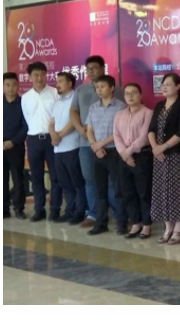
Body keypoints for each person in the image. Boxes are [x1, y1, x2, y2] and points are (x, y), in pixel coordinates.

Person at [70, 55, 124, 228]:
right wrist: (81, 130)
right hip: (87, 144)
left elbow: (124, 117)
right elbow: (73, 111)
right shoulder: (81, 89)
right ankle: (94, 215)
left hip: (111, 145)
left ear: (102, 68)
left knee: (112, 182)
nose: (91, 71)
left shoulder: (117, 90)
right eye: (88, 69)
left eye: (94, 68)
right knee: (90, 180)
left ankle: (118, 214)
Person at [149, 73, 180, 245]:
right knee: (162, 191)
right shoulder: (159, 105)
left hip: (177, 154)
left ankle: (178, 230)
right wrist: (155, 147)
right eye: (163, 84)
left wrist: (164, 147)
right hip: (159, 156)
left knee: (178, 191)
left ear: (178, 86)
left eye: (168, 84)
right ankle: (167, 228)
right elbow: (151, 129)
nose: (165, 87)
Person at [86, 75, 127, 236]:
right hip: (97, 152)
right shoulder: (93, 107)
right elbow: (89, 130)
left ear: (112, 88)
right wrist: (95, 146)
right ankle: (101, 223)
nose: (99, 90)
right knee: (100, 190)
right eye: (97, 87)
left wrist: (101, 144)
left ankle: (122, 223)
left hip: (115, 151)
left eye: (102, 86)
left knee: (119, 188)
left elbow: (120, 132)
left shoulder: (121, 107)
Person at [21, 62, 62, 222]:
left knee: (55, 176)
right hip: (33, 140)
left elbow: (60, 115)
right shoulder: (26, 97)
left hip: (52, 139)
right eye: (36, 75)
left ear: (47, 75)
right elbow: (27, 118)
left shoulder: (55, 93)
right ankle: (39, 210)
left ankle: (55, 209)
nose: (39, 78)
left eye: (42, 74)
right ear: (30, 77)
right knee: (36, 177)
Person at [113, 83, 154, 239]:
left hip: (141, 156)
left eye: (134, 93)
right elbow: (116, 135)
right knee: (128, 192)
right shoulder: (119, 114)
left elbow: (144, 137)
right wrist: (123, 154)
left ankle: (147, 224)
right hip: (123, 157)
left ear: (140, 95)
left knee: (143, 192)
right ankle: (135, 222)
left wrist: (128, 152)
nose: (130, 96)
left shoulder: (148, 113)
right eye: (127, 93)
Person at [49, 72, 87, 225]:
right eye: (57, 81)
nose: (57, 84)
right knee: (64, 183)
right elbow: (51, 122)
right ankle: (69, 211)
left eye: (60, 81)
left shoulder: (75, 99)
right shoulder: (57, 102)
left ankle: (80, 212)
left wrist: (59, 135)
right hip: (58, 149)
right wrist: (53, 135)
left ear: (70, 83)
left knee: (77, 182)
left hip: (72, 147)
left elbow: (74, 122)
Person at [3, 72, 28, 220]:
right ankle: (3, 209)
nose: (11, 88)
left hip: (16, 146)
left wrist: (13, 141)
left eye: (13, 84)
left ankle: (19, 209)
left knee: (18, 179)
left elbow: (26, 126)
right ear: (3, 87)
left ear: (18, 85)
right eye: (7, 85)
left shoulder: (23, 103)